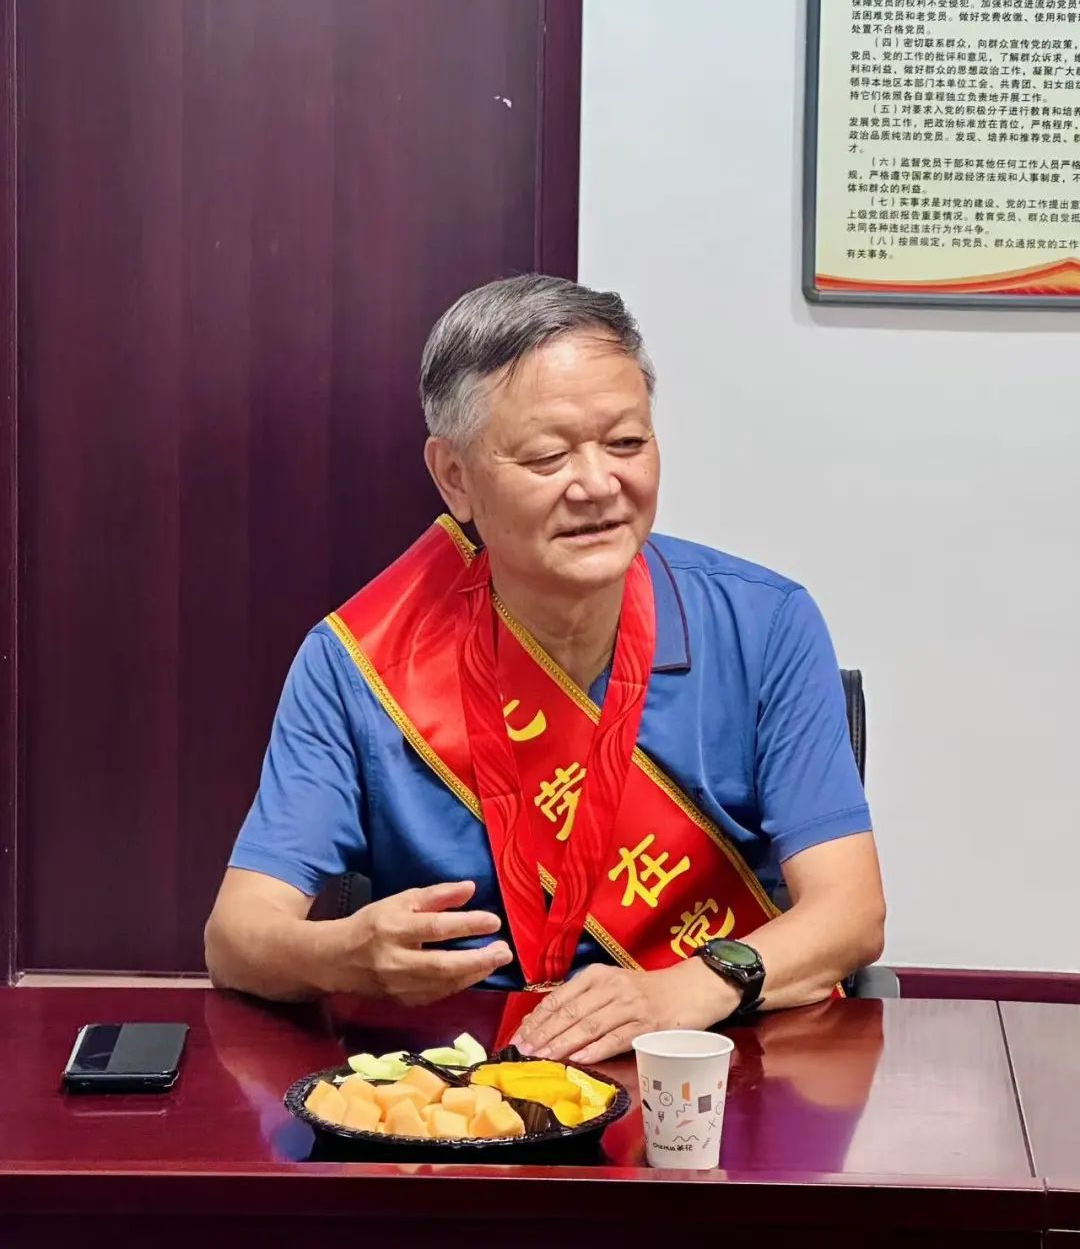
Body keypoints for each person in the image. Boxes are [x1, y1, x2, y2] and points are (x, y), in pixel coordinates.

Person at [205, 274, 885, 1064]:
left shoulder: (764, 625)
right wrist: (341, 956)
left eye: (626, 443)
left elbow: (851, 914)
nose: (598, 485)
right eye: (548, 455)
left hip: (707, 1065)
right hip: (458, 1079)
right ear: (455, 477)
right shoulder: (358, 663)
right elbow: (237, 937)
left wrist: (682, 990)